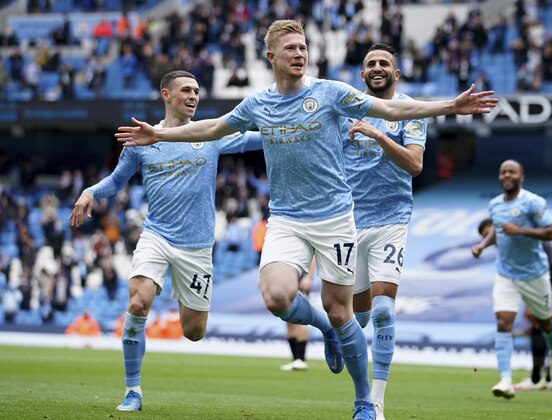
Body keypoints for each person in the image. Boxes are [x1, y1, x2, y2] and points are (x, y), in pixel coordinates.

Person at [115, 20, 497, 419]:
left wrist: (450, 106)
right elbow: (212, 128)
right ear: (272, 57)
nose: (300, 54)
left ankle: (364, 401)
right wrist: (158, 136)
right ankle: (325, 329)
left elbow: (392, 108)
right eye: (291, 48)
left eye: (303, 47)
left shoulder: (330, 93)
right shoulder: (258, 103)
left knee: (341, 309)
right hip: (286, 219)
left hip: (335, 220)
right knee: (277, 297)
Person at [69, 70, 262, 412]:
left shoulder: (211, 134)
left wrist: (294, 130)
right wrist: (89, 191)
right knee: (138, 303)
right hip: (156, 236)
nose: (193, 96)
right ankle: (133, 391)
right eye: (186, 90)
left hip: (197, 246)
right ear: (166, 94)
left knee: (194, 331)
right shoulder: (144, 140)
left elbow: (254, 138)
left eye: (197, 91)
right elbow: (115, 183)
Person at [343, 43, 426, 420]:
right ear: (362, 75)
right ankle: (335, 332)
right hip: (347, 223)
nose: (377, 68)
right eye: (370, 64)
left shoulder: (409, 111)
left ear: (396, 73)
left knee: (383, 313)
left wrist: (378, 136)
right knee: (354, 318)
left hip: (392, 220)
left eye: (384, 63)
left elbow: (415, 165)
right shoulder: (345, 107)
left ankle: (375, 401)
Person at [471, 160, 552, 399]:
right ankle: (505, 380)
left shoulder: (533, 203)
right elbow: (497, 230)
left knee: (545, 323)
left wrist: (520, 230)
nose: (507, 175)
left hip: (535, 275)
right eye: (503, 172)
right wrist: (482, 245)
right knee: (503, 322)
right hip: (506, 274)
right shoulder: (495, 205)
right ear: (500, 177)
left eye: (512, 171)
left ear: (522, 177)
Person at [477, 218, 552, 391]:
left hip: (550, 273)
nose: (490, 240)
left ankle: (536, 378)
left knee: (537, 321)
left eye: (488, 234)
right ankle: (549, 376)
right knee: (548, 324)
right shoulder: (512, 234)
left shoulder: (511, 234)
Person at [281, 257, 316, 371]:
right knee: (288, 318)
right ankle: (295, 359)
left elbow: (313, 256)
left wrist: (308, 277)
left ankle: (301, 359)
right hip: (286, 277)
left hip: (300, 276)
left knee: (300, 317)